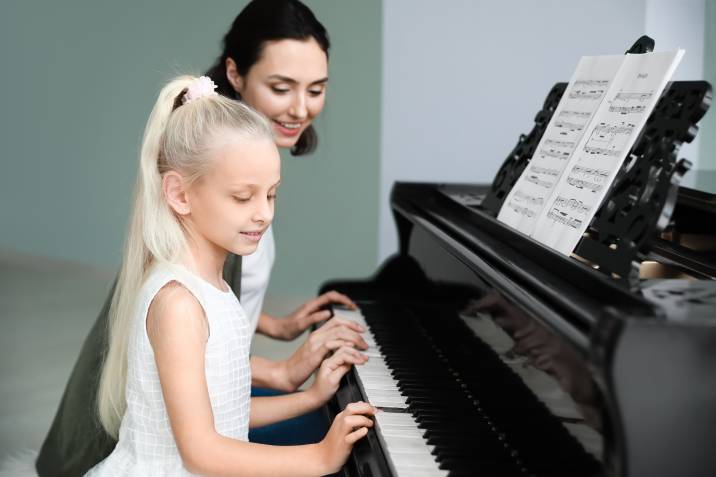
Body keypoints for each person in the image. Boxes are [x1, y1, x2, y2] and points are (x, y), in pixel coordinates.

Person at [36, 2, 366, 475]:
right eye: (281, 86)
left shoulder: (214, 277)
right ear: (236, 74)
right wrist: (310, 439)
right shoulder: (182, 294)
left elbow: (225, 401)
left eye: (315, 89)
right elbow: (202, 445)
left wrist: (296, 370)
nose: (263, 214)